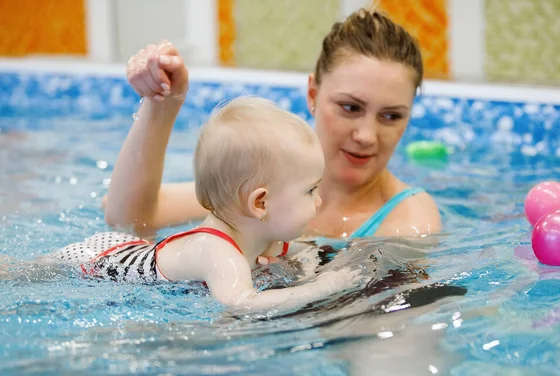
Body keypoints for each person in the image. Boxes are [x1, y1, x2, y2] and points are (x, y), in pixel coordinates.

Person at [103, 8, 442, 245]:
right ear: (312, 94)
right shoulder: (265, 174)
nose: (367, 136)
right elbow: (129, 218)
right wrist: (162, 104)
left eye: (391, 116)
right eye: (350, 107)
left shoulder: (409, 220)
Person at [48, 97, 363, 313]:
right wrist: (323, 287)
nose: (320, 199)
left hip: (133, 248)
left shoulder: (268, 236)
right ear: (260, 202)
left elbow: (306, 253)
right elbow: (240, 303)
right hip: (102, 261)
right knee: (31, 272)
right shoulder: (215, 250)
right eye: (310, 190)